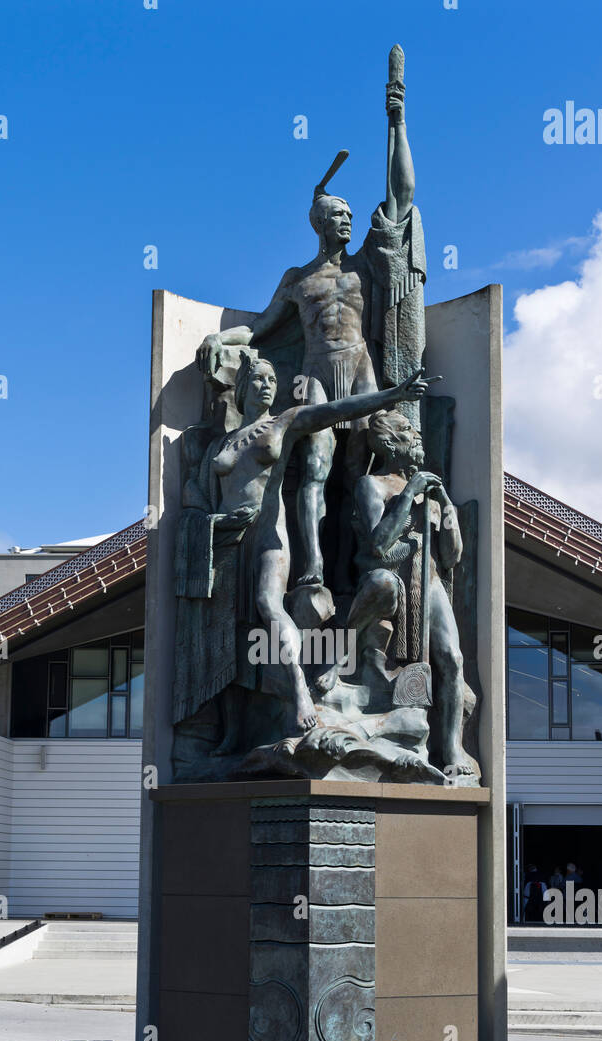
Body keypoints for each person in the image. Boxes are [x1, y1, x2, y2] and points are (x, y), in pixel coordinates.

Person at [196, 52, 426, 589]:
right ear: (321, 223)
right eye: (339, 216)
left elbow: (403, 195)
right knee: (316, 472)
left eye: (350, 216)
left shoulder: (367, 267)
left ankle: (357, 565)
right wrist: (220, 334)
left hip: (362, 370)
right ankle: (313, 570)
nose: (348, 220)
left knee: (361, 473)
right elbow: (260, 327)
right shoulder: (299, 278)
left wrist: (398, 122)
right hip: (316, 375)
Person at [179, 355, 432, 745]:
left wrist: (392, 395)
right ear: (243, 388)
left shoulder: (284, 422)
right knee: (231, 633)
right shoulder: (220, 442)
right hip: (227, 543)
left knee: (268, 604)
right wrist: (207, 522)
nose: (267, 385)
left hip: (267, 536)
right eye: (258, 379)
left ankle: (300, 689)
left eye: (272, 380)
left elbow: (335, 410)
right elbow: (195, 494)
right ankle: (232, 734)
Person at [314, 407, 477, 780]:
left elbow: (451, 558)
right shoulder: (372, 485)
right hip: (387, 574)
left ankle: (450, 746)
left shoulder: (433, 497)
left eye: (416, 431)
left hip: (430, 579)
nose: (417, 437)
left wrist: (448, 514)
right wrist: (409, 495)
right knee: (383, 583)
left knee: (451, 658)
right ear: (388, 442)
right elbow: (376, 545)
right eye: (407, 430)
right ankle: (338, 655)